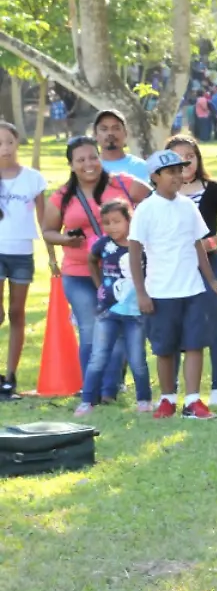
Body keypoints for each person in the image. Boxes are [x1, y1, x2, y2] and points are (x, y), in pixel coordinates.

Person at [129, 150, 217, 419]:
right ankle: (167, 399)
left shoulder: (188, 206)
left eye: (179, 170)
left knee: (195, 345)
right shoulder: (146, 209)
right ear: (155, 176)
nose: (177, 176)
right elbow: (135, 251)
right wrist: (141, 292)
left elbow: (198, 245)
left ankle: (193, 401)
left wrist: (211, 280)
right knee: (165, 348)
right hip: (160, 291)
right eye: (170, 171)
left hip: (192, 289)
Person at [42, 136, 138, 402]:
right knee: (89, 329)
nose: (89, 164)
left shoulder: (121, 183)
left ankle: (110, 390)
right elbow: (48, 231)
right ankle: (90, 390)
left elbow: (151, 201)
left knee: (116, 330)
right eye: (81, 160)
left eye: (93, 157)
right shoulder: (62, 196)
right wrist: (66, 239)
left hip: (116, 273)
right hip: (77, 272)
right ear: (71, 165)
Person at [167, 135, 217, 407]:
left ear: (198, 157)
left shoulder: (214, 189)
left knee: (211, 323)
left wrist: (213, 242)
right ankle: (169, 390)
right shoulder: (160, 193)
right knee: (173, 325)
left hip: (208, 264)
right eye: (177, 156)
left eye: (190, 155)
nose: (184, 161)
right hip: (173, 266)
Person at [75, 200, 152, 415]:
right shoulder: (103, 244)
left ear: (129, 220)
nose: (111, 227)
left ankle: (144, 400)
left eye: (117, 221)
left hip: (136, 313)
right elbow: (91, 260)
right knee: (98, 356)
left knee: (137, 358)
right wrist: (99, 286)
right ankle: (87, 400)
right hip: (107, 311)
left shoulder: (141, 246)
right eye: (106, 223)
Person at [0, 122, 47, 399]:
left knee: (17, 313)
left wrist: (53, 258)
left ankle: (10, 376)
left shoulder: (33, 179)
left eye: (9, 142)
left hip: (22, 254)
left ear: (18, 143)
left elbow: (44, 220)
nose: (5, 148)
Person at [92, 109, 152, 198]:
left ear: (126, 133)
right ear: (95, 135)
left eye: (116, 128)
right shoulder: (90, 168)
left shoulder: (141, 166)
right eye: (104, 129)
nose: (110, 133)